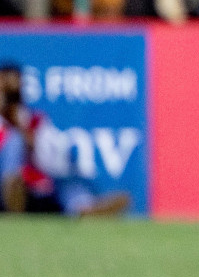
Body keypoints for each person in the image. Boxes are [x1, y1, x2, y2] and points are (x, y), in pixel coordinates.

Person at [1, 61, 129, 216]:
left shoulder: (34, 121)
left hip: (33, 188)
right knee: (13, 141)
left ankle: (85, 208)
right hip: (5, 182)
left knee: (64, 177)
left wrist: (24, 132)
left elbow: (50, 161)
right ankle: (11, 187)